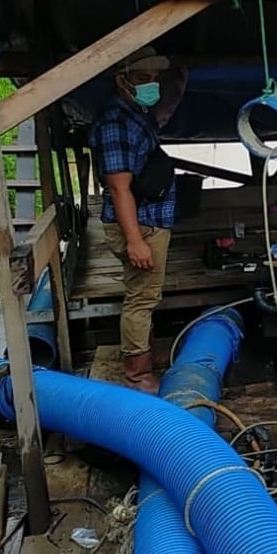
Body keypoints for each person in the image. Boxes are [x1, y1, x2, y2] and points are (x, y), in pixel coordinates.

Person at [88, 46, 177, 394]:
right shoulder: (115, 121)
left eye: (154, 79)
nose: (151, 85)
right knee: (141, 299)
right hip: (141, 225)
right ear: (121, 81)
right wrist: (135, 240)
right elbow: (118, 186)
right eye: (142, 79)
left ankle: (145, 361)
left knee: (145, 296)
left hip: (149, 220)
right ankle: (137, 376)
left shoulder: (135, 112)